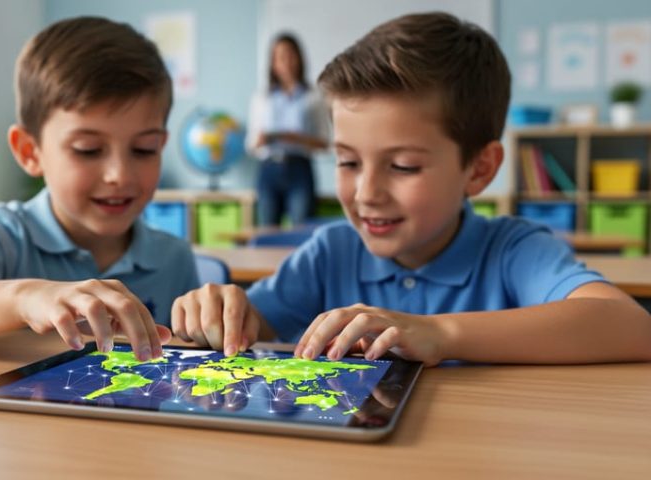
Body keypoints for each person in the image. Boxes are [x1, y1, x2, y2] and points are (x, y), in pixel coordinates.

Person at [172, 12, 651, 365]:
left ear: (479, 169)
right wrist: (220, 312)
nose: (366, 193)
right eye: (347, 161)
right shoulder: (331, 252)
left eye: (402, 166)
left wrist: (439, 332)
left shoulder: (512, 251)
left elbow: (633, 327)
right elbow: (253, 323)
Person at [0, 17, 199, 361]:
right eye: (87, 149)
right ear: (29, 151)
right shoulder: (4, 235)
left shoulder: (173, 258)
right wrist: (26, 298)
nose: (119, 175)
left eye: (144, 149)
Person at [246, 33, 329, 227]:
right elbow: (251, 145)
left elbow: (325, 142)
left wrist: (297, 138)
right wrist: (260, 140)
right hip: (269, 168)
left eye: (291, 55)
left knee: (301, 229)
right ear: (272, 63)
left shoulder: (314, 98)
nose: (286, 62)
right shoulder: (262, 98)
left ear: (300, 59)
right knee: (268, 230)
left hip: (299, 168)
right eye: (280, 57)